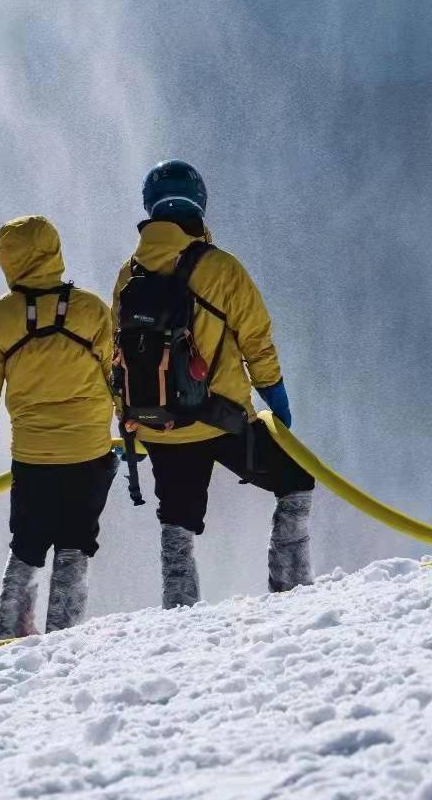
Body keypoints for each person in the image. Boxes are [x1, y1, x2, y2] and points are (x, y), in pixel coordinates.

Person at [110, 161, 315, 608]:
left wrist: (126, 421)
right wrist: (273, 392)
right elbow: (256, 339)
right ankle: (292, 592)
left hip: (157, 425)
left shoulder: (128, 274)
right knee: (295, 483)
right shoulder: (221, 268)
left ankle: (178, 616)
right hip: (223, 419)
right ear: (199, 204)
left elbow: (116, 357)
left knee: (176, 523)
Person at [0, 216, 118, 637]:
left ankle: (10, 635)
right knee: (75, 544)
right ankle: (63, 635)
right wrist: (131, 430)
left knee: (27, 545)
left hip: (32, 456)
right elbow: (117, 376)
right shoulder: (91, 310)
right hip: (90, 451)